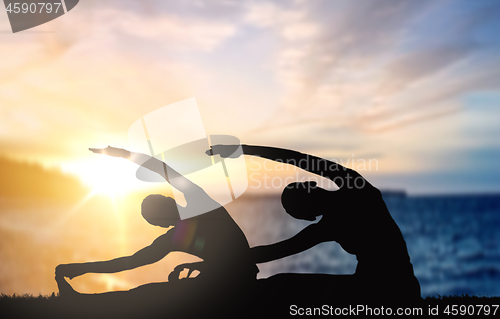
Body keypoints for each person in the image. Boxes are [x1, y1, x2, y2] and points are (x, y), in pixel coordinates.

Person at [55, 146, 258, 314]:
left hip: (235, 280)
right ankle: (79, 301)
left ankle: (80, 303)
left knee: (152, 295)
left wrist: (122, 154)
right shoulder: (191, 212)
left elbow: (162, 168)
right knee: (150, 292)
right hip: (231, 277)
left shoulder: (197, 205)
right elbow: (131, 261)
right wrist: (81, 269)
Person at [208, 144, 421, 302]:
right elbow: (276, 251)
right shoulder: (346, 200)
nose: (306, 203)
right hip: (387, 288)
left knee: (283, 284)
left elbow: (293, 158)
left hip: (387, 291)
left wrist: (242, 149)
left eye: (300, 198)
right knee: (282, 283)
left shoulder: (353, 187)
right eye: (301, 205)